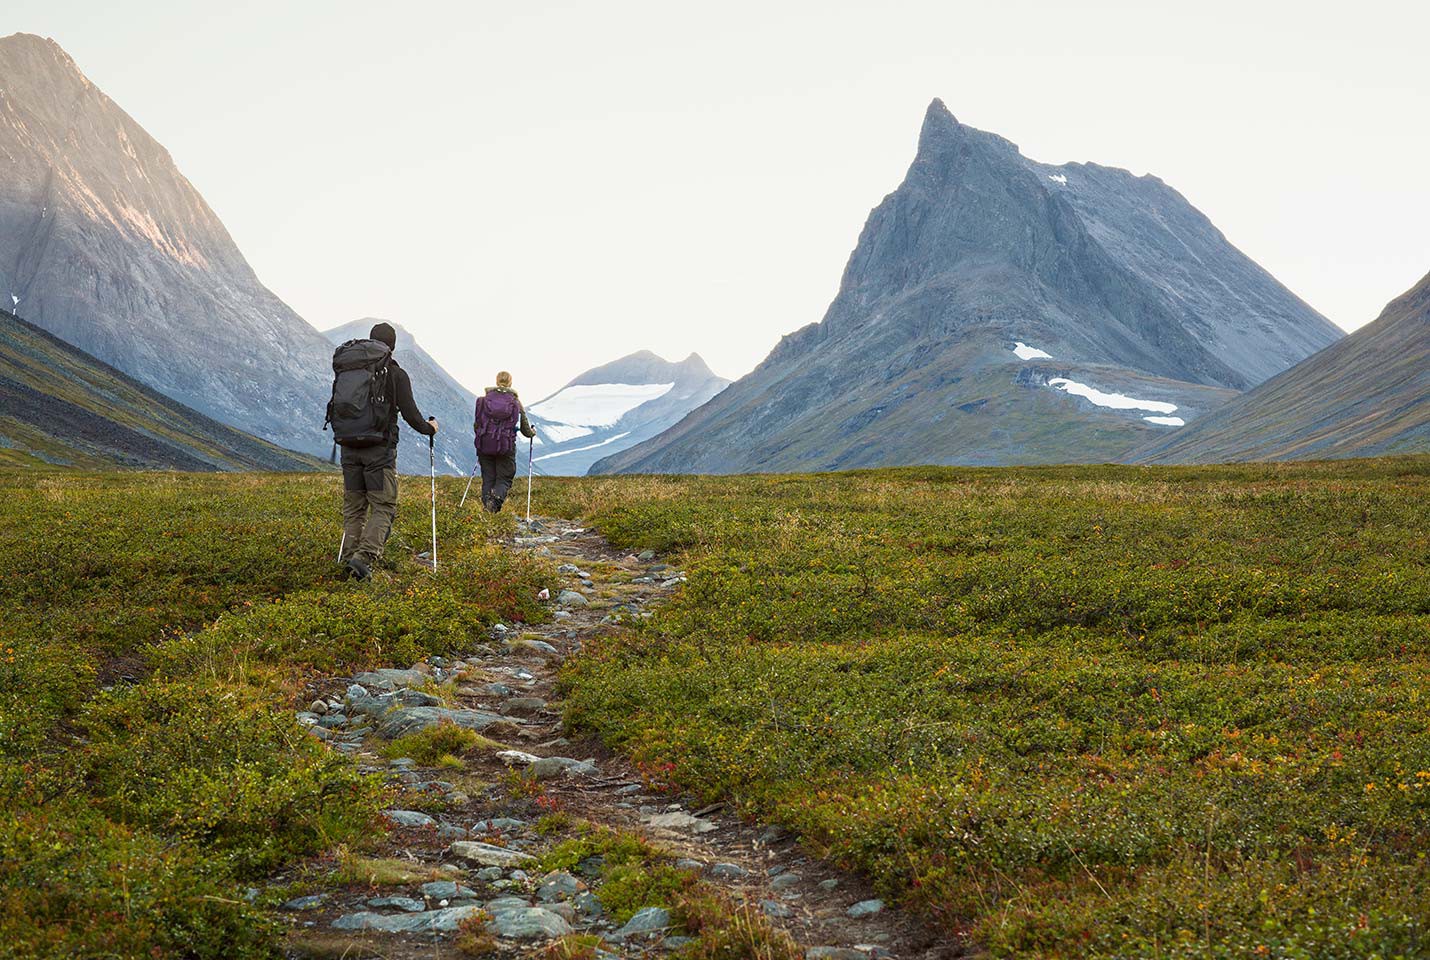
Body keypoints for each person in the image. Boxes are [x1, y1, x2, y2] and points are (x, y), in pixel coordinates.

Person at [338, 322, 437, 581]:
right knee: (383, 505)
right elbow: (411, 415)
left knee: (354, 507)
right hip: (378, 451)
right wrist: (430, 428)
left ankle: (349, 558)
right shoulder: (395, 373)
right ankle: (363, 558)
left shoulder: (350, 369)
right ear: (391, 346)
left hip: (348, 447)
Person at [473, 370, 536, 513]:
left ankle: (488, 510)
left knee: (488, 477)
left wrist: (484, 435)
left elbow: (477, 424)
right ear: (510, 382)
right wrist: (532, 433)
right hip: (505, 446)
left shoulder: (483, 401)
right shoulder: (515, 402)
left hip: (485, 444)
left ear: (496, 381)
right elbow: (526, 430)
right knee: (504, 477)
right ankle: (494, 505)